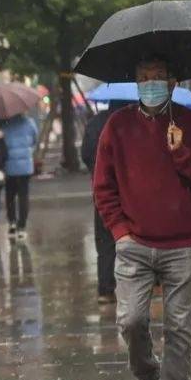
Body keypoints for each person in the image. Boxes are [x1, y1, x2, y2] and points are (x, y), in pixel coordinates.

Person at [93, 55, 191, 380]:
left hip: (180, 244)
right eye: (144, 77)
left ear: (173, 82)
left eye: (158, 77)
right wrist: (120, 231)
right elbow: (103, 186)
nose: (151, 83)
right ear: (135, 82)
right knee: (131, 320)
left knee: (179, 325)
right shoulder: (118, 126)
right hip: (134, 244)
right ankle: (146, 372)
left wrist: (180, 152)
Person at [81, 101, 128, 304]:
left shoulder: (94, 123)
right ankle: (136, 287)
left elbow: (85, 154)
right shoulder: (132, 122)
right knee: (134, 239)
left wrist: (96, 168)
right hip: (130, 189)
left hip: (102, 189)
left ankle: (106, 289)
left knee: (105, 240)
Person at [3, 114, 39, 240]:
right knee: (23, 196)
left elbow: (1, 142)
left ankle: (12, 223)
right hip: (25, 165)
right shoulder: (29, 122)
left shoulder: (4, 124)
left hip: (9, 165)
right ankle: (22, 227)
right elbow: (35, 139)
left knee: (10, 195)